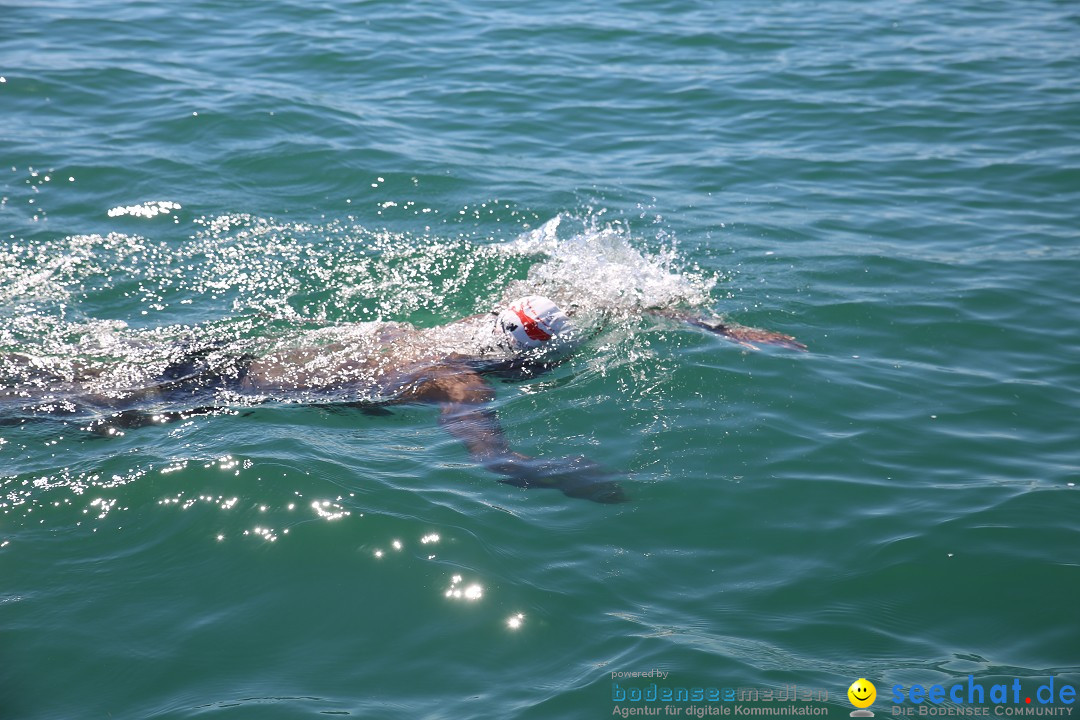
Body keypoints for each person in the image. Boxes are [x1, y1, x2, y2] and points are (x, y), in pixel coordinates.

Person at [2, 296, 804, 502]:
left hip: (230, 358)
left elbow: (612, 302)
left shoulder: (448, 329)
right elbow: (493, 458)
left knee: (56, 381)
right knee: (62, 410)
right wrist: (546, 471)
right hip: (223, 390)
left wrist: (720, 327)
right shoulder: (463, 378)